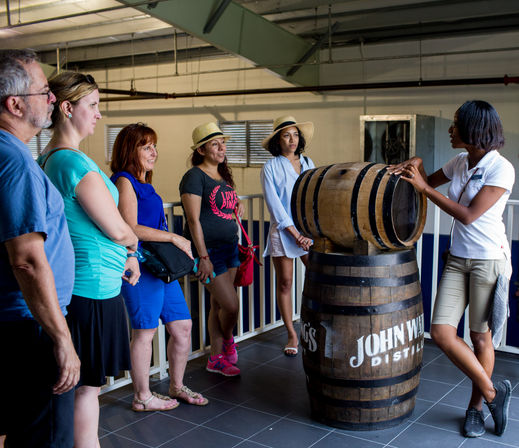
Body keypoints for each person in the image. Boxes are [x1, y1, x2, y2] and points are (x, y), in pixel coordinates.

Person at [390, 100, 514, 438]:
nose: (450, 129)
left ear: (473, 130)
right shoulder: (460, 161)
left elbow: (469, 214)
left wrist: (426, 189)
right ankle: (493, 392)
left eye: (456, 124)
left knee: (479, 337)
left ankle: (475, 409)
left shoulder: (501, 169)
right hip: (458, 258)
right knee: (443, 333)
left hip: (489, 259)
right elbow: (424, 179)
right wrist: (413, 165)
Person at [39, 72, 141, 448]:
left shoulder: (48, 156)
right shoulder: (72, 164)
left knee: (78, 389)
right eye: (93, 105)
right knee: (84, 391)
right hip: (92, 289)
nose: (99, 114)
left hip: (82, 286)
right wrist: (132, 248)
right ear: (67, 108)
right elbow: (118, 228)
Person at [0, 50, 80, 447]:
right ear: (15, 104)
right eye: (44, 91)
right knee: (44, 438)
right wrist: (62, 340)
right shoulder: (14, 163)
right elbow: (28, 262)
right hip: (27, 327)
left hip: (14, 323)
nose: (52, 99)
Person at [110, 123, 208, 409]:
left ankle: (176, 386)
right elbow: (130, 227)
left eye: (154, 145)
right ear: (131, 149)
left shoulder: (145, 183)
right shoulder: (124, 180)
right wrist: (174, 237)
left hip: (161, 268)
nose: (154, 152)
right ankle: (142, 396)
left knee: (183, 327)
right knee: (145, 332)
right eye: (146, 146)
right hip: (139, 265)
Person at [180, 122, 244, 377]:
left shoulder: (223, 175)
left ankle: (216, 358)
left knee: (218, 305)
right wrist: (203, 257)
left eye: (223, 143)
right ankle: (228, 339)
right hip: (209, 252)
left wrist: (236, 204)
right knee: (231, 307)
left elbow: (224, 203)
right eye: (215, 144)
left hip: (230, 248)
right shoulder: (194, 177)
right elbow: (194, 219)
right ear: (202, 150)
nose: (221, 148)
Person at [260, 116, 315, 357]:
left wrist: (309, 232)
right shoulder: (270, 167)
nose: (292, 139)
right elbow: (275, 206)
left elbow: (314, 197)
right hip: (283, 232)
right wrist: (294, 233)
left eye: (295, 135)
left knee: (317, 278)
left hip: (307, 232)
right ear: (277, 140)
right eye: (286, 135)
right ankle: (292, 333)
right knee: (285, 282)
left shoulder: (308, 162)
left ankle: (313, 324)